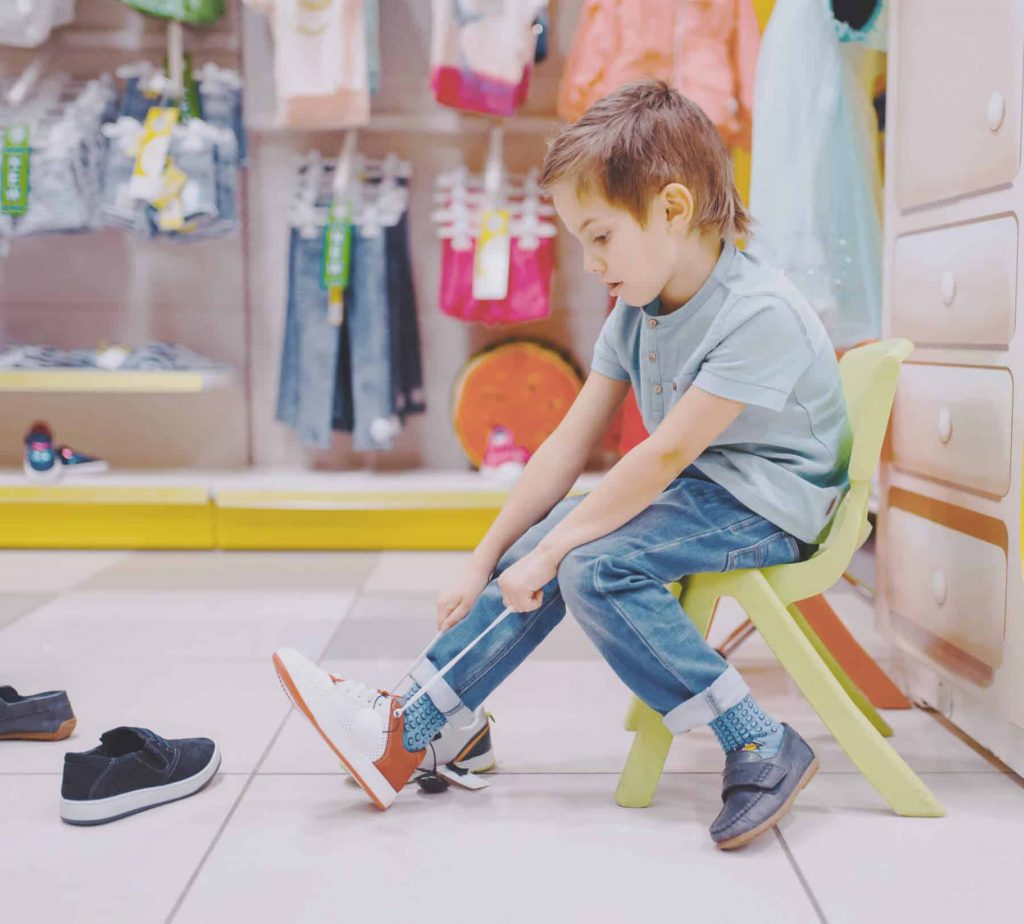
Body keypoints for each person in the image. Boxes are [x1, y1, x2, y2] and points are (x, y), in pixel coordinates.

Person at [272, 79, 850, 850]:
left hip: (774, 504)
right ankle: (424, 727)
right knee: (544, 546)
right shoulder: (639, 311)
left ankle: (758, 739)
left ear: (673, 210)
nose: (587, 263)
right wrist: (484, 558)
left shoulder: (758, 313)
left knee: (589, 566)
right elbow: (567, 444)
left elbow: (666, 453)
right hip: (711, 488)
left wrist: (551, 552)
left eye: (600, 236)